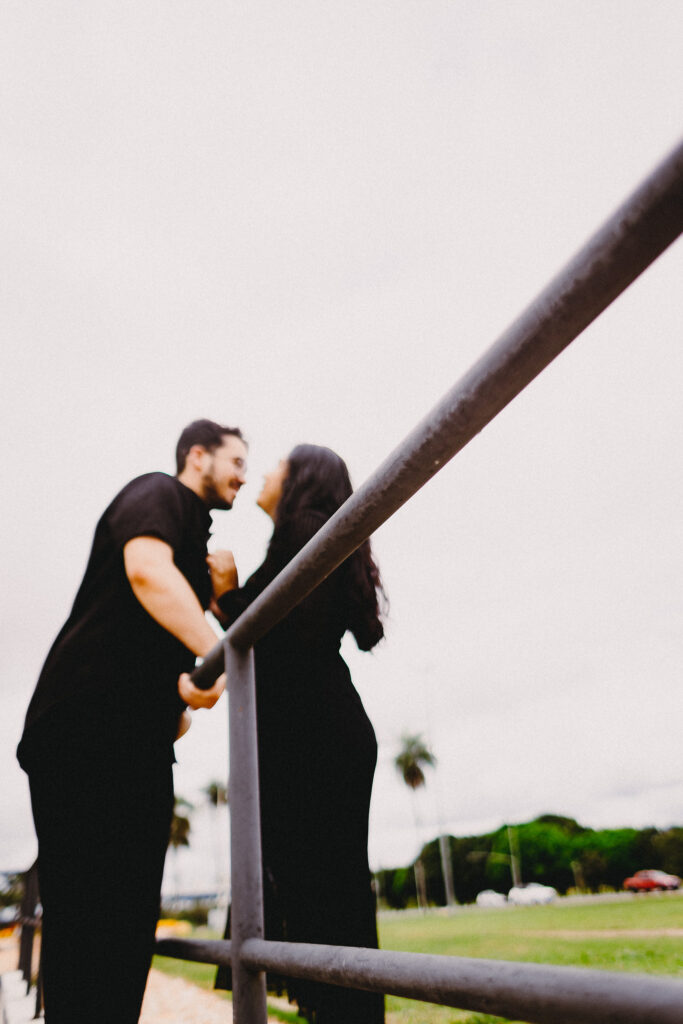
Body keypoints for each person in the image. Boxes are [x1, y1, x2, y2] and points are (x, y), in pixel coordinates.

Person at [17, 418, 247, 1024]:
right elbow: (145, 568)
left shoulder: (193, 556)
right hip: (85, 733)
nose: (243, 477)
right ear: (197, 456)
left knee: (121, 927)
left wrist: (186, 690)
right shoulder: (158, 492)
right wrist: (218, 655)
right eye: (236, 461)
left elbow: (163, 684)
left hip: (128, 742)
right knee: (91, 923)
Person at [211, 444, 386, 1024]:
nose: (263, 473)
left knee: (325, 896)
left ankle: (346, 1012)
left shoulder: (305, 530)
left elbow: (281, 637)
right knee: (327, 894)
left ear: (300, 481)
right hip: (317, 734)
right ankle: (341, 1010)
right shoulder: (303, 537)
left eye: (277, 465)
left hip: (316, 739)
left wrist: (226, 592)